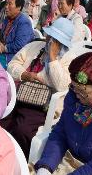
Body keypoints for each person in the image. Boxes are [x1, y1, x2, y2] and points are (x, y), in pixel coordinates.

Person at [4, 18, 76, 158]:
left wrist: (53, 57)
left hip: (43, 105)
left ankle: (19, 160)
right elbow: (12, 65)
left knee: (22, 130)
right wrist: (24, 74)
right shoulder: (35, 46)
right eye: (50, 36)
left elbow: (61, 85)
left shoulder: (69, 59)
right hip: (19, 94)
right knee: (2, 120)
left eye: (56, 40)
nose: (50, 41)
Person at [0, 0, 34, 69]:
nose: (6, 7)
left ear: (19, 7)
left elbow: (20, 45)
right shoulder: (7, 18)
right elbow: (2, 36)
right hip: (4, 51)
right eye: (6, 4)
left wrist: (4, 48)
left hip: (15, 55)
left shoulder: (23, 22)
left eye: (10, 4)